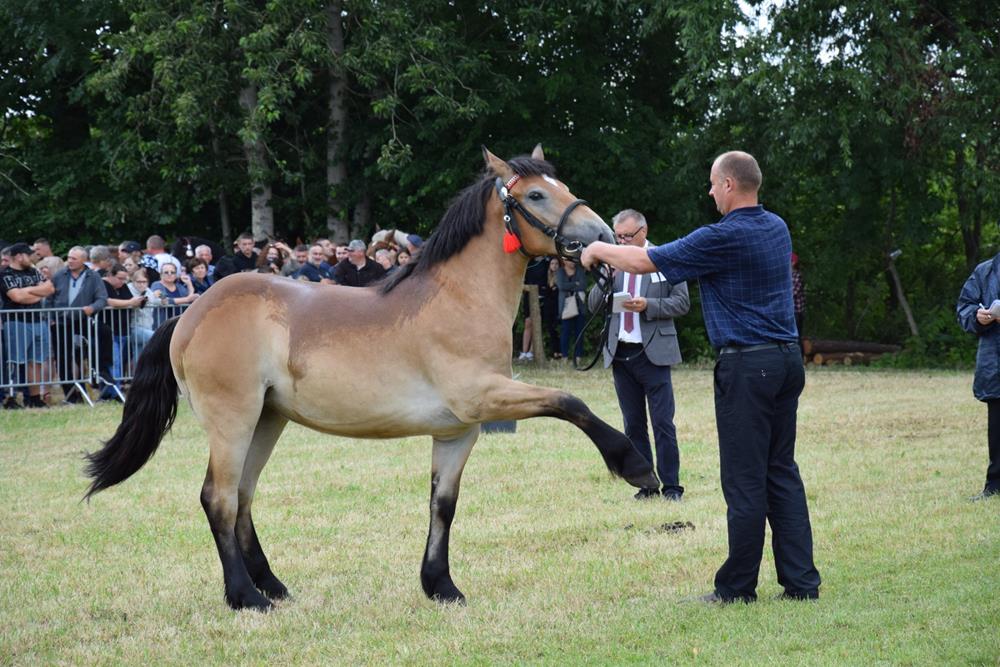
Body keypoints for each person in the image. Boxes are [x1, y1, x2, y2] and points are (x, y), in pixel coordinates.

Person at [581, 150, 821, 604]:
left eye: (713, 183)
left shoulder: (721, 237)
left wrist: (596, 249)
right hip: (787, 361)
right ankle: (802, 583)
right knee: (781, 470)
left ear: (729, 184)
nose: (709, 192)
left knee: (744, 479)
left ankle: (736, 588)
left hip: (747, 366)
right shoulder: (777, 227)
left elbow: (643, 262)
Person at [587, 209, 690, 501]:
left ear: (643, 232)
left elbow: (682, 303)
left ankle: (672, 486)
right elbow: (592, 305)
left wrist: (649, 305)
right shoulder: (612, 260)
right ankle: (646, 485)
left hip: (653, 352)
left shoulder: (665, 258)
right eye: (618, 236)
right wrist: (607, 277)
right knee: (633, 424)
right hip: (621, 353)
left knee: (663, 423)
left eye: (627, 237)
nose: (621, 242)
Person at [957, 254, 1000, 502]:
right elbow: (964, 307)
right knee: (997, 431)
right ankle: (994, 485)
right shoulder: (985, 272)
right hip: (995, 365)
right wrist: (977, 317)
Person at [51, 246, 112, 403]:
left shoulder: (93, 276)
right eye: (69, 258)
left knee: (104, 331)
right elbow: (49, 297)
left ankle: (101, 371)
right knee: (63, 357)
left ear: (84, 260)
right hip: (61, 321)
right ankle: (71, 396)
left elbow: (102, 298)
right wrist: (50, 317)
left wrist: (93, 308)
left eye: (74, 258)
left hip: (84, 319)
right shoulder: (59, 275)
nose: (70, 261)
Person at [0, 243, 55, 408]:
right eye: (28, 255)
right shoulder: (5, 274)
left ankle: (34, 398)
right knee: (14, 361)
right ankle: (10, 397)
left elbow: (50, 288)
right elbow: (16, 297)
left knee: (36, 361)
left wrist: (27, 292)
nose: (32, 258)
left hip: (38, 320)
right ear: (19, 256)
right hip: (16, 321)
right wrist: (37, 291)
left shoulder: (33, 271)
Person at [556, 258, 588, 363]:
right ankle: (564, 357)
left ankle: (578, 357)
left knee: (579, 333)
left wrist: (570, 286)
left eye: (574, 260)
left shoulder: (580, 270)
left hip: (580, 306)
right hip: (566, 307)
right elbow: (561, 286)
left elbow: (583, 285)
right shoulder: (560, 271)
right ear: (564, 261)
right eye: (570, 260)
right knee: (565, 332)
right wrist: (576, 284)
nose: (572, 262)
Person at [517, 257, 549, 362]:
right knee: (528, 322)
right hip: (529, 294)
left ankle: (531, 351)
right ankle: (524, 352)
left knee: (537, 323)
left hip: (542, 295)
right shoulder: (530, 263)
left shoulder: (546, 262)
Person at [792, 252, 805, 348]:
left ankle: (800, 354)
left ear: (793, 263)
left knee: (797, 336)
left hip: (797, 311)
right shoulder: (789, 276)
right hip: (792, 311)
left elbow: (793, 293)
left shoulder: (797, 276)